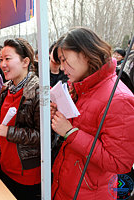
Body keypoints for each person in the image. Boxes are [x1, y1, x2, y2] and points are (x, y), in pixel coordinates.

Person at [51, 27, 134, 200]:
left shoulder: (119, 98)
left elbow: (119, 162)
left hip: (90, 192)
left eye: (65, 60)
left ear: (86, 53)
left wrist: (70, 132)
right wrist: (60, 116)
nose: (62, 68)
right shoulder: (82, 87)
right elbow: (85, 125)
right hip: (66, 184)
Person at [0, 38, 42, 200]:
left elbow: (43, 136)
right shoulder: (7, 88)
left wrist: (8, 132)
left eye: (8, 59)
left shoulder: (39, 91)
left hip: (27, 174)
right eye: (1, 59)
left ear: (25, 62)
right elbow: (5, 121)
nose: (2, 64)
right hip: (5, 166)